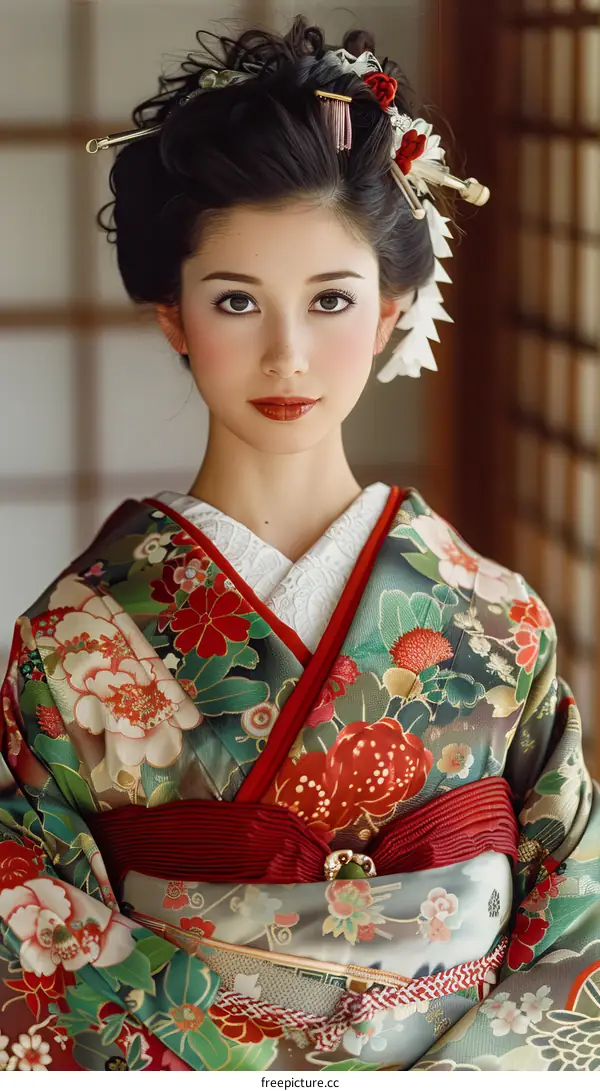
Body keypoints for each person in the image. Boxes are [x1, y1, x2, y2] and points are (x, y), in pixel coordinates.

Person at [0, 16, 598, 1073]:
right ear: (174, 318)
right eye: (238, 301)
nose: (288, 354)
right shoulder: (75, 636)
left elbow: (575, 927)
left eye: (331, 300)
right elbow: (31, 922)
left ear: (390, 313)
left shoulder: (498, 619)